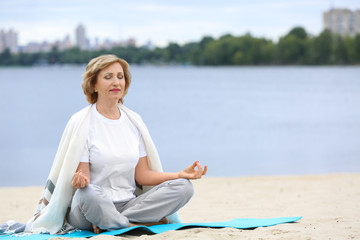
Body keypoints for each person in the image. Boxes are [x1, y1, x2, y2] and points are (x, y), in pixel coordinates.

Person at [66, 54, 208, 234]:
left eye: (120, 76)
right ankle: (136, 225)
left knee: (184, 187)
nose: (116, 82)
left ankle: (114, 224)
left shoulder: (133, 121)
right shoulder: (82, 122)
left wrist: (179, 174)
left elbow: (143, 176)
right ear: (93, 85)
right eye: (108, 77)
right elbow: (84, 179)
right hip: (92, 208)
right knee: (89, 193)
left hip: (129, 205)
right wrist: (80, 182)